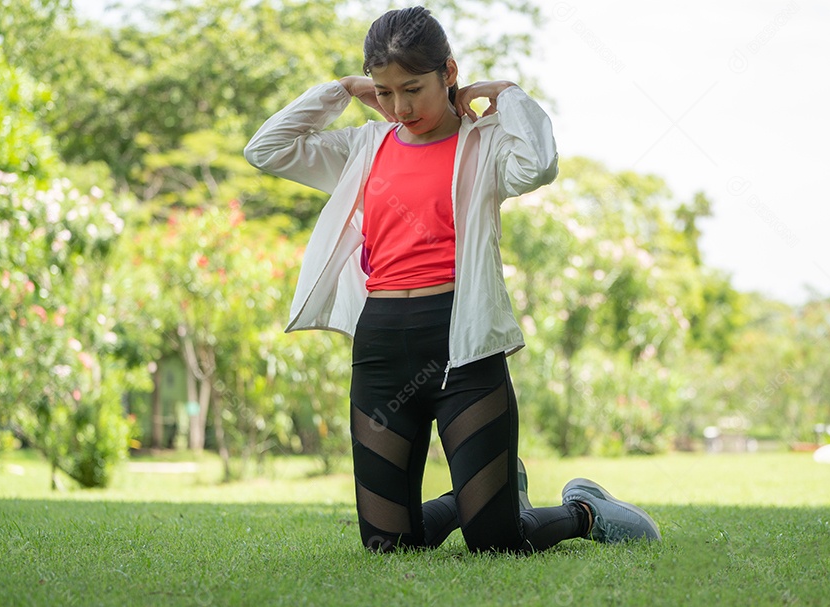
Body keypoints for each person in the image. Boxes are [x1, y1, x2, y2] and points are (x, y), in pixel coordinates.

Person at [244, 5, 660, 553]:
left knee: (497, 543)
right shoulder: (364, 148)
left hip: (463, 345)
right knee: (388, 546)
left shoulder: (483, 145)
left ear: (449, 73)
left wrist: (503, 93)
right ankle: (484, 495)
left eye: (413, 89)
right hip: (382, 347)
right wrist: (341, 91)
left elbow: (539, 164)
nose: (400, 107)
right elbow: (266, 149)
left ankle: (585, 511)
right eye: (385, 92)